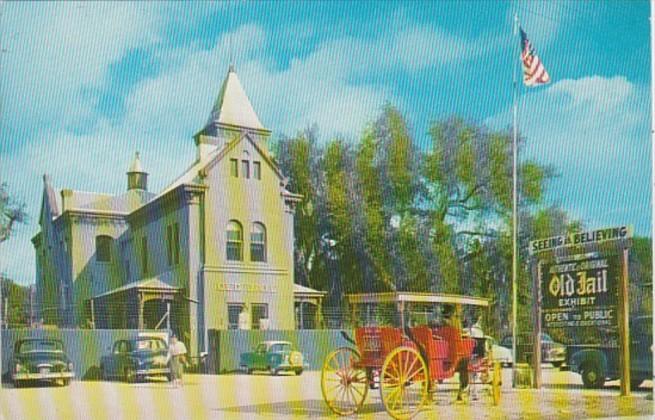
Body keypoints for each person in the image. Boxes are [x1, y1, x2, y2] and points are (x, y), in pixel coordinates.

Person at [441, 305, 469, 403]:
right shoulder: (454, 324)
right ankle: (461, 392)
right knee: (466, 361)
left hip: (441, 354)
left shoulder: (441, 325)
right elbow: (459, 336)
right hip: (453, 355)